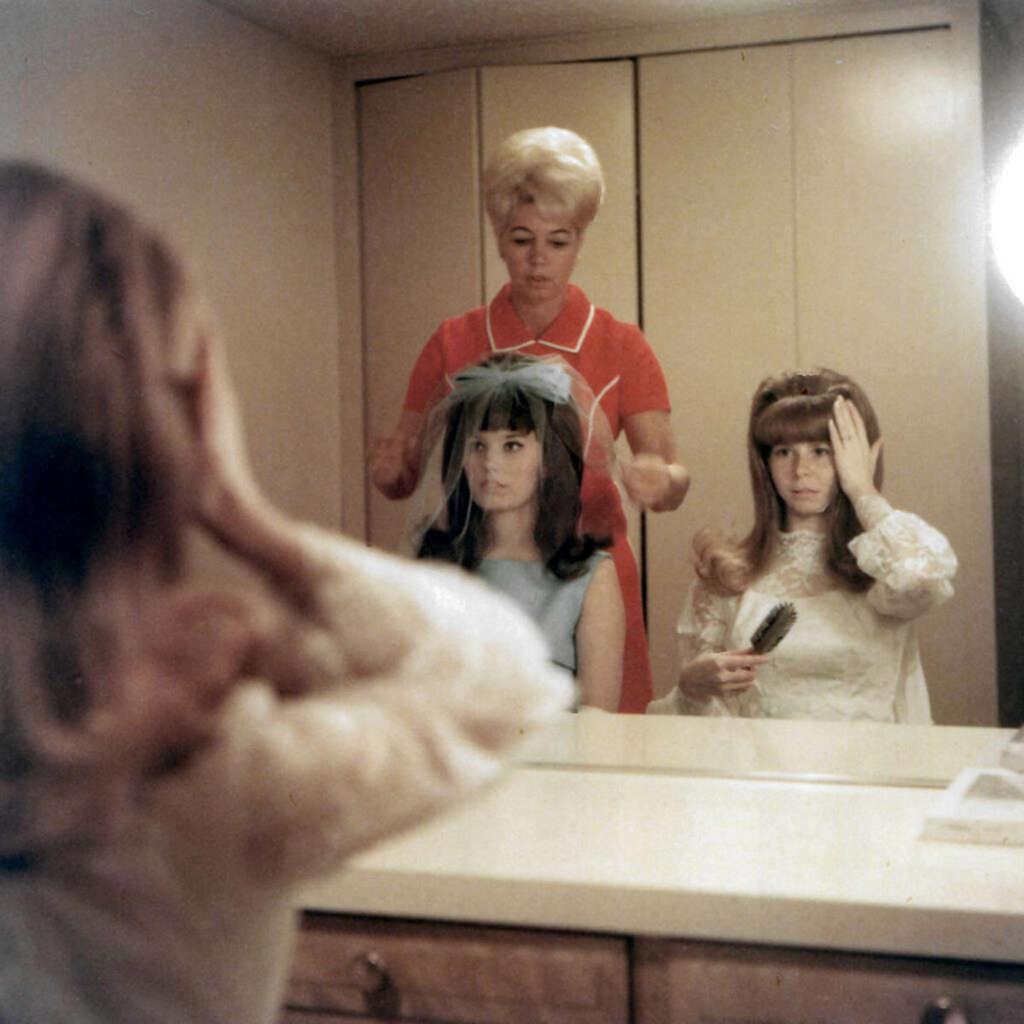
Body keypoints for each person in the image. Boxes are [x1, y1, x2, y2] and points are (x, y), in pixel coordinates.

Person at [0, 162, 571, 1024]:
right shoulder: (199, 784)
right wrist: (241, 512)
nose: (492, 464)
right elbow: (508, 678)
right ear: (166, 429)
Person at [369, 125, 690, 714]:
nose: (539, 259)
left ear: (581, 238)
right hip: (479, 564)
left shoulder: (621, 344)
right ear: (498, 237)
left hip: (586, 574)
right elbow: (402, 478)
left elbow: (671, 478)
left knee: (601, 744)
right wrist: (390, 466)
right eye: (522, 239)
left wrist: (658, 479)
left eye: (559, 240)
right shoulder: (454, 341)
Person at [647, 369, 956, 723]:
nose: (800, 470)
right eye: (783, 452)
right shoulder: (727, 576)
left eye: (821, 451)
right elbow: (703, 735)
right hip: (758, 775)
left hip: (872, 772)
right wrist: (691, 690)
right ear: (765, 462)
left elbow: (924, 579)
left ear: (855, 456)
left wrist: (862, 490)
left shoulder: (886, 569)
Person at [416, 352, 624, 711]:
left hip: (557, 766)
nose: (490, 464)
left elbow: (598, 729)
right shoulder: (434, 563)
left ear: (549, 458)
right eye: (477, 445)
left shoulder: (590, 578)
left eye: (512, 446)